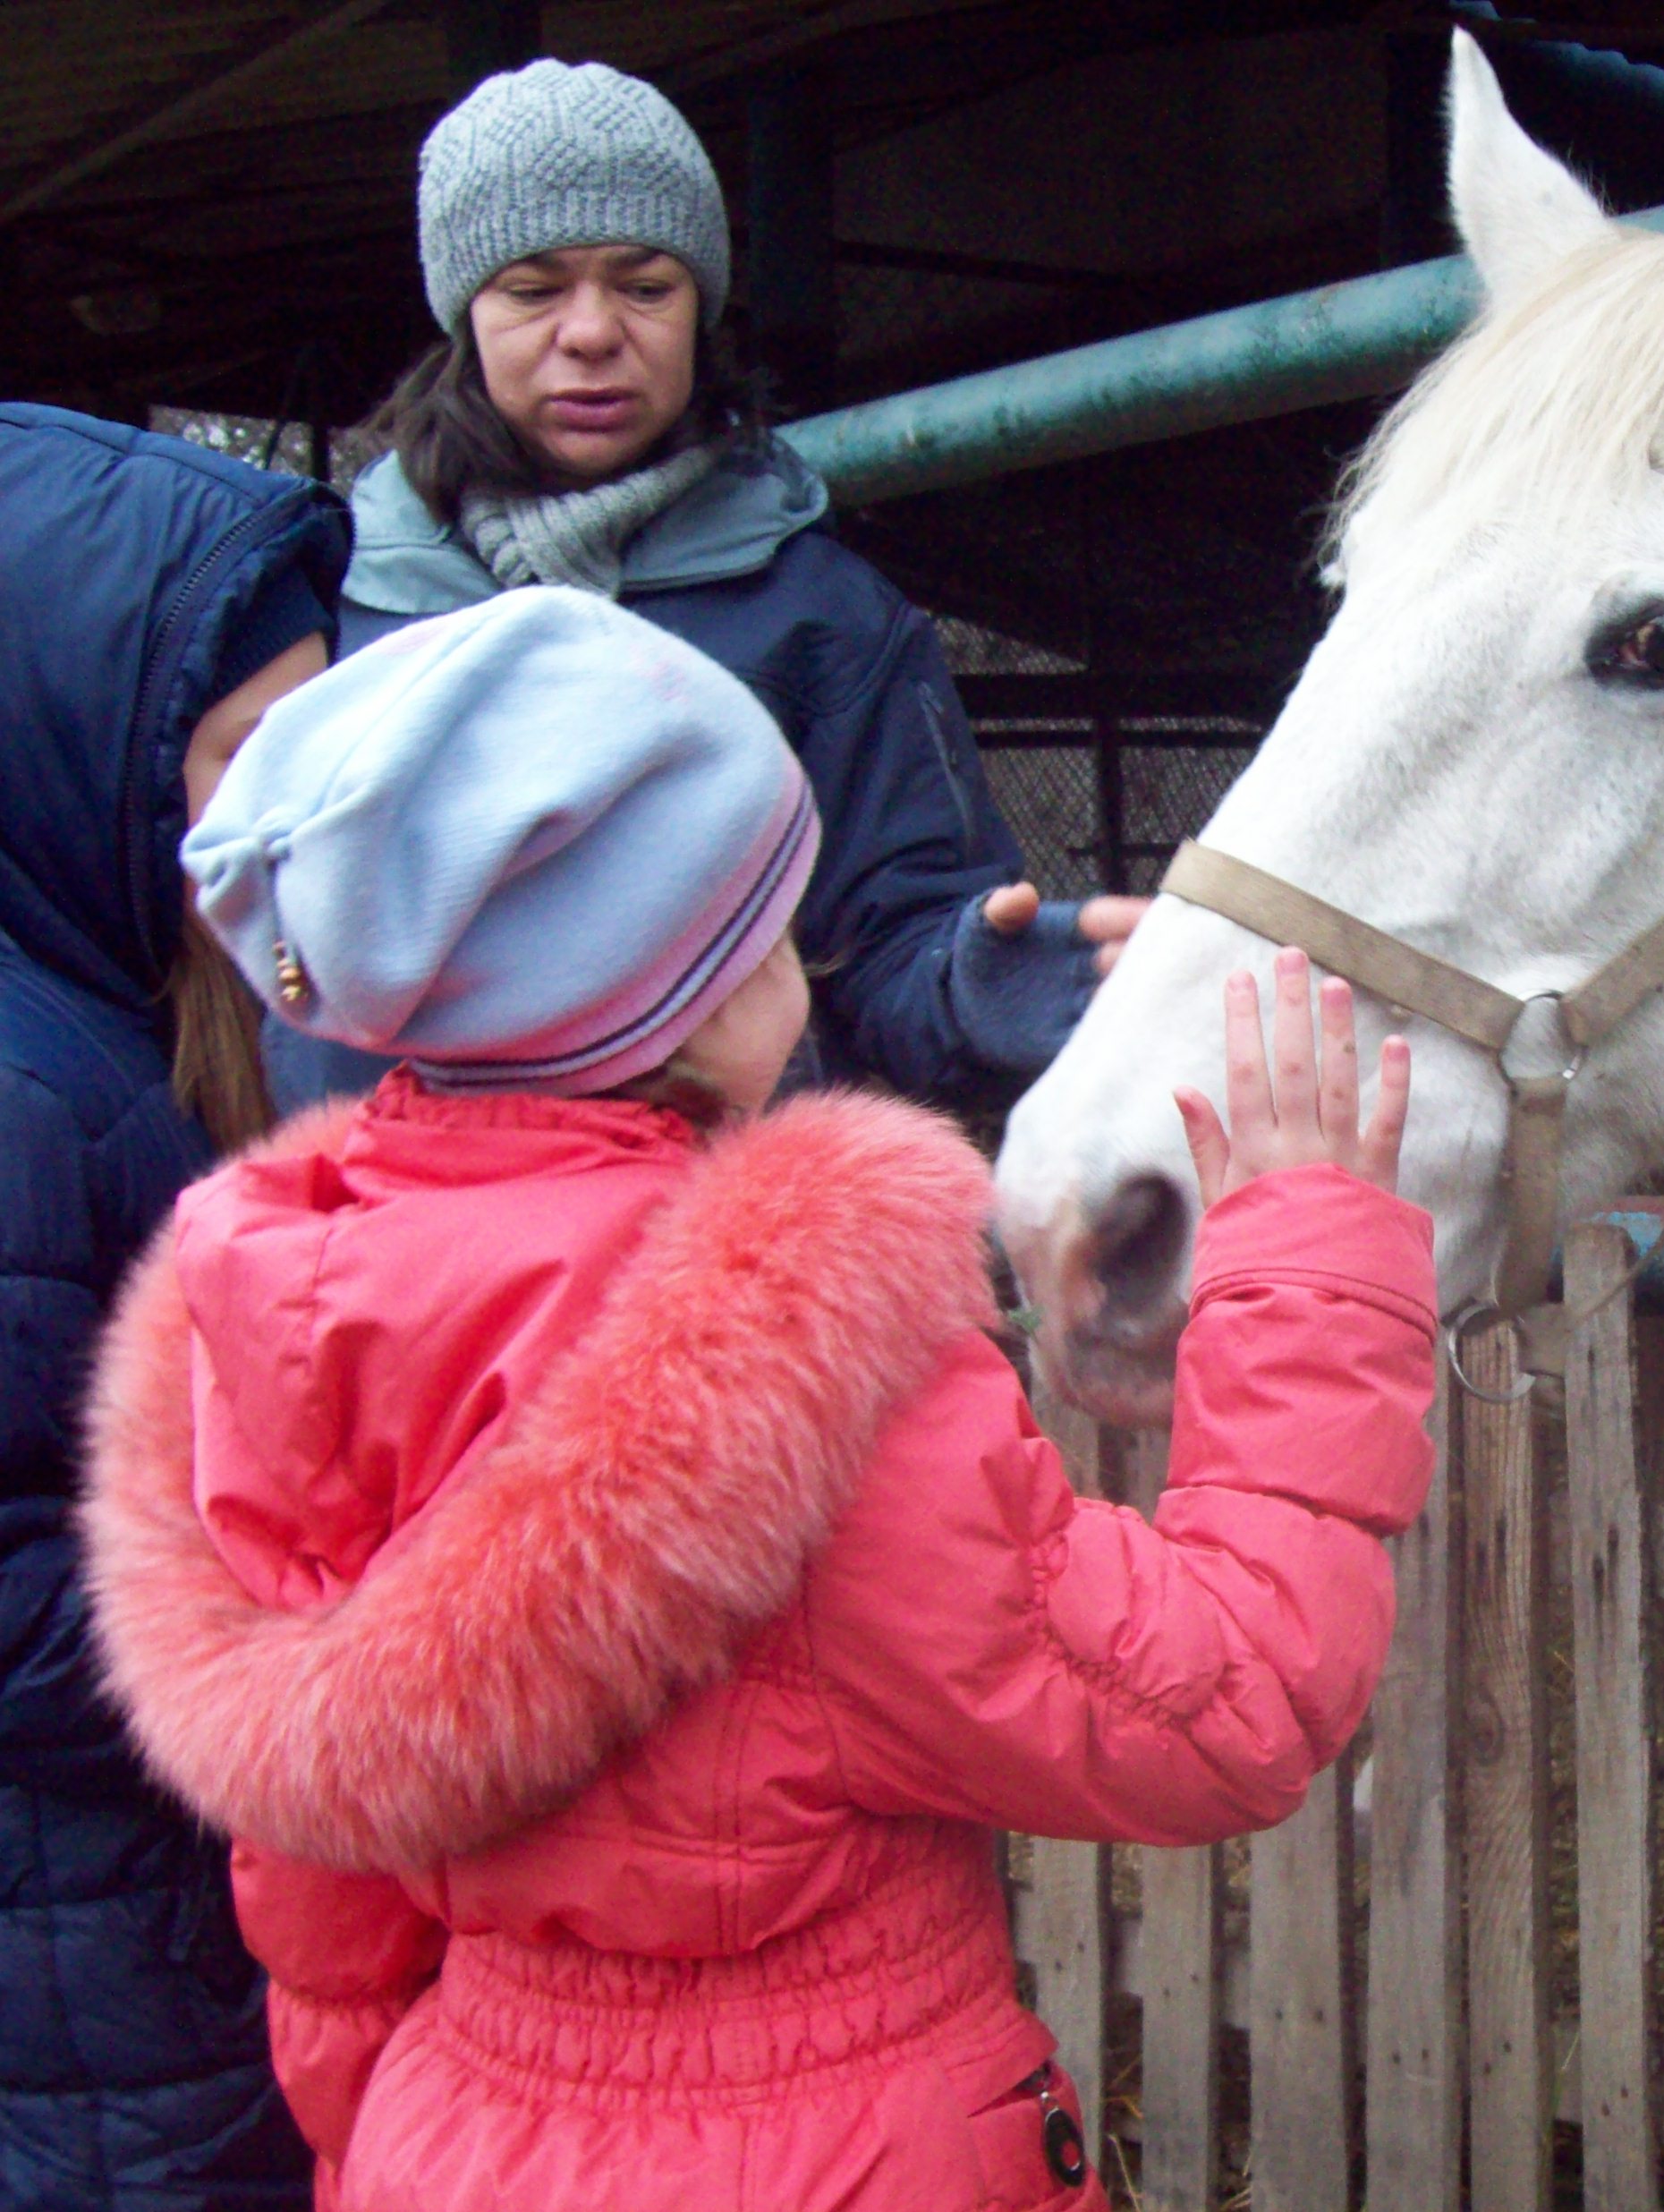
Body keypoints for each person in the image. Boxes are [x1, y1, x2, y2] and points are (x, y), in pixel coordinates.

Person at [82, 589, 1429, 2212]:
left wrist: (393, 2143)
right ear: (706, 994)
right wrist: (1311, 1257)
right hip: (839, 2151)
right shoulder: (795, 1373)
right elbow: (1223, 1704)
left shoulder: (282, 1319)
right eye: (777, 930)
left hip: (445, 2136)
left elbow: (322, 1895)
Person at [271, 57, 1143, 1118]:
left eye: (646, 286)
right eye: (533, 290)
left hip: (708, 1204)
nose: (592, 332)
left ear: (701, 308)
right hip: (383, 1199)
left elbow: (896, 944)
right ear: (464, 314)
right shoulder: (328, 598)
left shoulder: (824, 613)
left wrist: (979, 983)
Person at [0, 402, 346, 2208]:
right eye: (246, 754)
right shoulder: (24, 1091)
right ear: (80, 745)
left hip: (149, 1939)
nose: (299, 808)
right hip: (82, 1998)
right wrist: (338, 1618)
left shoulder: (126, 997)